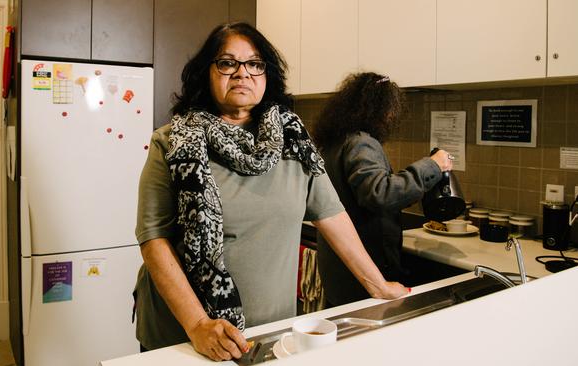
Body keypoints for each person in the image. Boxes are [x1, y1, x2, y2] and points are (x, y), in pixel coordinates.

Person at [132, 23, 408, 361]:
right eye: (227, 63)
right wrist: (198, 324)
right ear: (207, 72)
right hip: (183, 334)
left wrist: (377, 285)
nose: (242, 74)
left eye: (255, 64)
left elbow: (331, 214)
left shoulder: (294, 141)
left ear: (267, 74)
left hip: (269, 330)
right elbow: (153, 240)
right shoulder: (172, 142)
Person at [312, 72, 453, 307]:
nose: (391, 116)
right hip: (365, 265)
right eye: (390, 109)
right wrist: (433, 165)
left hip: (340, 264)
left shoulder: (334, 140)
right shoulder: (361, 142)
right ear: (378, 109)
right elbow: (379, 193)